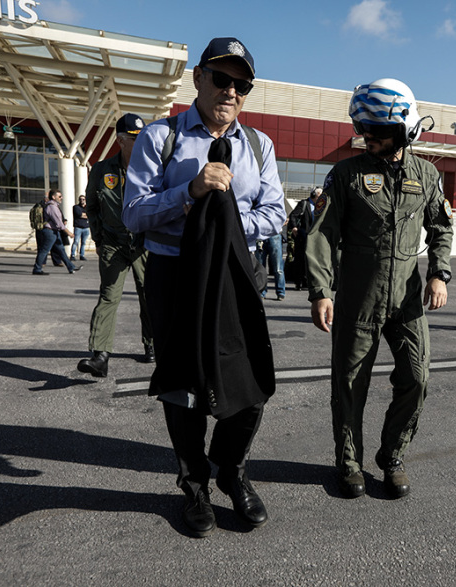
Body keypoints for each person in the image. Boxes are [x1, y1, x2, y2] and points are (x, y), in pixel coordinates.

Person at [122, 37, 286, 538]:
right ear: (198, 78)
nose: (231, 91)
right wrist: (189, 193)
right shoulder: (161, 137)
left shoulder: (258, 145)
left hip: (236, 275)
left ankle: (232, 470)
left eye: (242, 84)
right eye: (221, 78)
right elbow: (134, 214)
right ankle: (194, 484)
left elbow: (275, 214)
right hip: (175, 275)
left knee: (251, 384)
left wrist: (225, 225)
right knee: (182, 389)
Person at [305, 78, 453, 499]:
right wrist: (321, 290)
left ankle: (392, 456)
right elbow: (322, 234)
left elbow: (441, 227)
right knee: (350, 385)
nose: (367, 136)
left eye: (378, 130)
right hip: (358, 299)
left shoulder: (426, 174)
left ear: (406, 130)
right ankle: (349, 464)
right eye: (362, 127)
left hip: (406, 300)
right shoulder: (346, 174)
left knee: (417, 378)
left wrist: (439, 273)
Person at [77, 114, 154, 379]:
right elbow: (92, 206)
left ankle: (151, 344)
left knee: (149, 296)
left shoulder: (153, 168)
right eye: (136, 139)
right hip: (113, 243)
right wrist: (99, 240)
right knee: (108, 297)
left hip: (144, 243)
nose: (143, 143)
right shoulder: (102, 170)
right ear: (121, 141)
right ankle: (100, 357)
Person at [31, 189, 81, 275]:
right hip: (49, 232)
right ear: (53, 197)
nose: (62, 198)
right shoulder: (52, 207)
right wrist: (68, 233)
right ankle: (37, 269)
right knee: (44, 250)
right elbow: (59, 223)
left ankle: (71, 267)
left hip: (54, 232)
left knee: (61, 250)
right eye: (59, 196)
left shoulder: (54, 206)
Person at [287, 187, 320, 290]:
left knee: (312, 260)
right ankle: (299, 281)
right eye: (319, 196)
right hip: (303, 236)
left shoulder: (320, 206)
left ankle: (308, 281)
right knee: (300, 259)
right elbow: (293, 215)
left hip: (315, 237)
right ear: (314, 195)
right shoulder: (304, 203)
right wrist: (294, 227)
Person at [255, 218, 287, 300]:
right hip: (260, 235)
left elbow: (285, 217)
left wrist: (284, 219)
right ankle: (262, 291)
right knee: (260, 267)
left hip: (274, 234)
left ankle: (280, 292)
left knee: (278, 268)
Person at [70, 194, 90, 261]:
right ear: (78, 200)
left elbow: (90, 215)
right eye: (80, 199)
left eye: (83, 199)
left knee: (83, 242)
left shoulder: (87, 207)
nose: (82, 200)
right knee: (76, 241)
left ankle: (82, 255)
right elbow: (79, 214)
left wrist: (85, 215)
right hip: (78, 227)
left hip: (86, 227)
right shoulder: (76, 207)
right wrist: (86, 215)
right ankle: (73, 255)